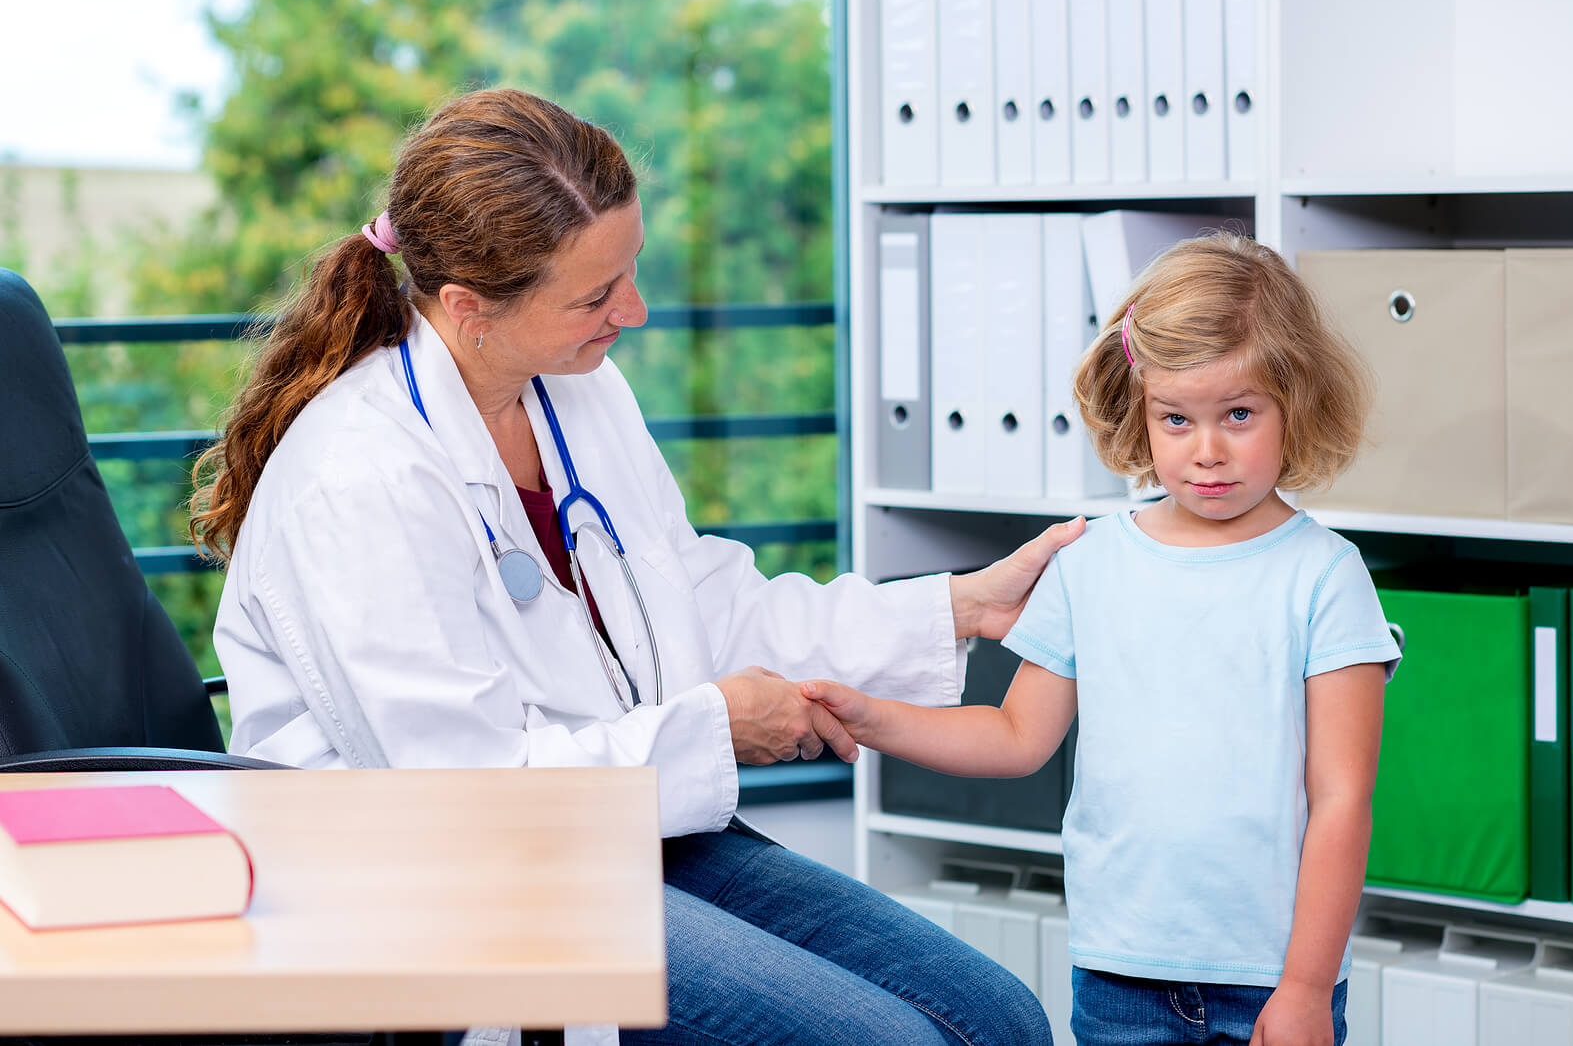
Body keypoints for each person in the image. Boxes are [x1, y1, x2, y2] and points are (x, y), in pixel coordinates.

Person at [190, 87, 1077, 1046]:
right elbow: (462, 794)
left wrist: (961, 607)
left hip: (619, 833)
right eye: (595, 295)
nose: (637, 311)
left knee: (1002, 1020)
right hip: (450, 879)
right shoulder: (358, 476)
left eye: (631, 270)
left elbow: (702, 606)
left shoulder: (578, 393)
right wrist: (715, 728)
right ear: (468, 306)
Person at [803, 233, 1402, 1046]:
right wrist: (875, 718)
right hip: (1120, 977)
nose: (1208, 451)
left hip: (1271, 981)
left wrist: (1302, 988)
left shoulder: (1326, 577)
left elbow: (1343, 801)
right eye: (1176, 419)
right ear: (1140, 408)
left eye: (1239, 413)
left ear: (1294, 400)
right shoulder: (1091, 563)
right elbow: (1015, 737)